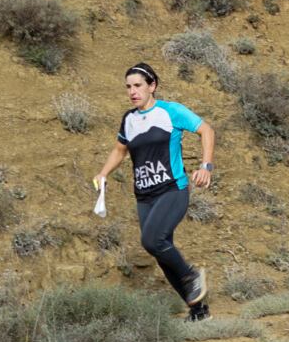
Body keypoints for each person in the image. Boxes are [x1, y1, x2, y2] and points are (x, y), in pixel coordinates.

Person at [92, 62, 214, 320]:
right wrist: (103, 173)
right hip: (144, 196)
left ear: (152, 86)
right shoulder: (129, 120)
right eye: (128, 87)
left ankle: (192, 275)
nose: (132, 91)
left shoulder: (170, 112)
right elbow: (119, 150)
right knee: (161, 251)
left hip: (173, 189)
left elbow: (206, 130)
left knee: (151, 241)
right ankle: (198, 312)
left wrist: (206, 166)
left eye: (138, 85)